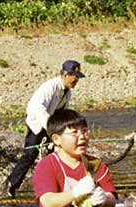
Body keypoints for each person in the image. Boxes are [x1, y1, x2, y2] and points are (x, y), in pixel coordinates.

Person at [5, 60, 85, 198]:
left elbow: (61, 112)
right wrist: (50, 128)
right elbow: (37, 107)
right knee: (30, 154)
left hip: (51, 125)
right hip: (37, 123)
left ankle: (53, 187)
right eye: (74, 76)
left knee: (54, 155)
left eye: (78, 77)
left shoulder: (67, 92)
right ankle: (11, 184)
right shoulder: (50, 87)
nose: (76, 80)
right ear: (65, 75)